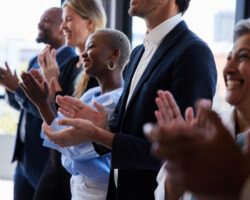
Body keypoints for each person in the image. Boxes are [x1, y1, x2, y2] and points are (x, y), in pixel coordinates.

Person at [42, 0, 217, 199]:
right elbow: (124, 129)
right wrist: (102, 124)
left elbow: (182, 154)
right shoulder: (138, 53)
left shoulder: (193, 53)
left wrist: (97, 134)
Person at [20, 29, 131, 200]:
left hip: (99, 192)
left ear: (114, 54)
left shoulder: (116, 101)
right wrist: (44, 101)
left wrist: (42, 104)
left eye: (91, 47)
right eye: (85, 48)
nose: (84, 54)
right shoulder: (91, 94)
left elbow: (72, 147)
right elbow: (63, 134)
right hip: (78, 187)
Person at [146, 18, 250, 200]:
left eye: (243, 57)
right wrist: (178, 168)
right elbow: (162, 195)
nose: (228, 68)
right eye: (229, 58)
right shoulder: (206, 129)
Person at [0, 7, 81, 200]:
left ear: (62, 27)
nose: (39, 24)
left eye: (45, 20)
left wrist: (17, 89)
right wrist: (10, 89)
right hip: (23, 159)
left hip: (44, 159)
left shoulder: (70, 63)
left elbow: (55, 113)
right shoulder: (34, 62)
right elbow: (24, 107)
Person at [32, 1, 107, 199]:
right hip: (57, 161)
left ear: (89, 23)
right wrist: (46, 84)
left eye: (68, 19)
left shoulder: (99, 70)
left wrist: (53, 81)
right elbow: (52, 115)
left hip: (80, 169)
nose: (62, 26)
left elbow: (71, 120)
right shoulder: (71, 65)